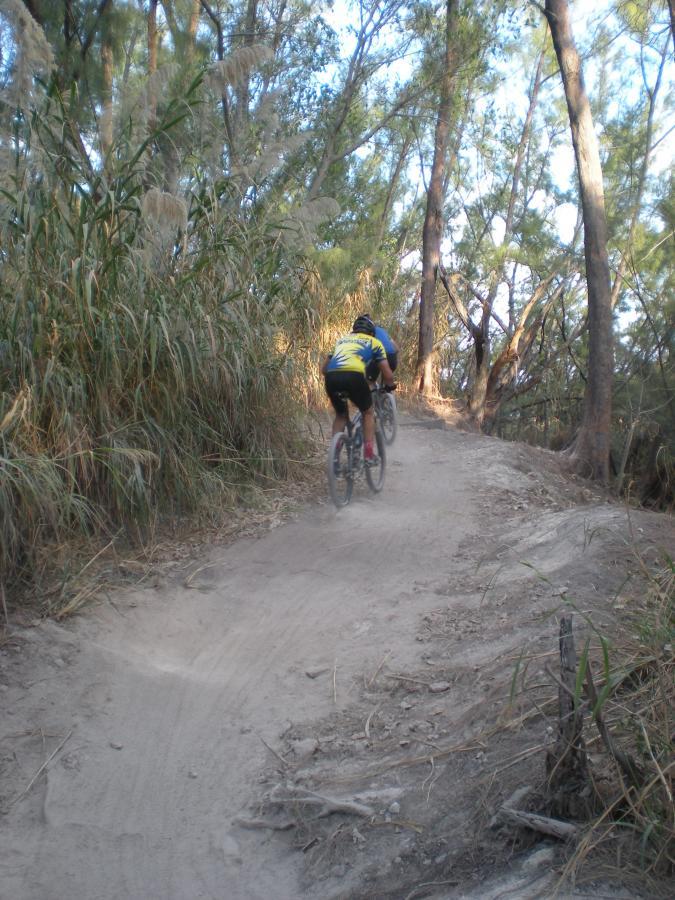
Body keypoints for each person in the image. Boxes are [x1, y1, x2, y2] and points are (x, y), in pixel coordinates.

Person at [322, 314, 396, 463]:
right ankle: (368, 454)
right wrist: (390, 386)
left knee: (341, 415)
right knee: (368, 412)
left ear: (354, 330)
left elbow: (324, 369)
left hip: (331, 378)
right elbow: (387, 374)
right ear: (371, 332)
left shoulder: (341, 341)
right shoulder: (375, 342)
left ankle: (334, 457)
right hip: (354, 377)